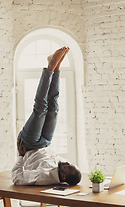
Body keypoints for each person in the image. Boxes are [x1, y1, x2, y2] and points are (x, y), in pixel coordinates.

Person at [11, 47, 82, 186]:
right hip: (46, 141)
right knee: (54, 107)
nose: (66, 162)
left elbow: (17, 178)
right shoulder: (62, 168)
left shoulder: (43, 177)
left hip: (30, 145)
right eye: (70, 164)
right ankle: (57, 68)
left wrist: (20, 155)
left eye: (68, 166)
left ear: (62, 175)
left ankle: (49, 68)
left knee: (41, 108)